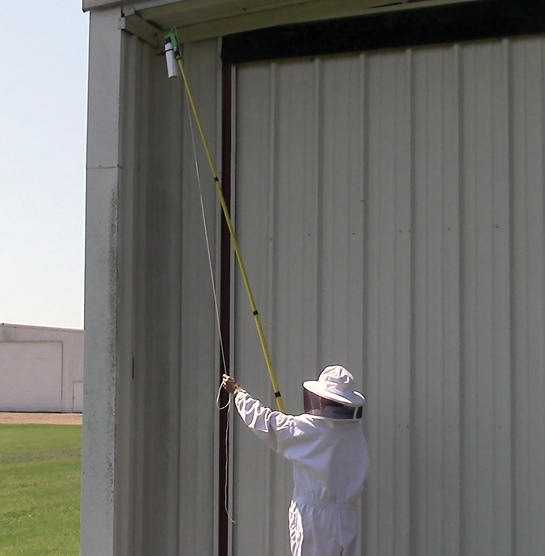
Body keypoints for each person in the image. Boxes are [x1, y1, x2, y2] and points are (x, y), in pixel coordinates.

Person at [222, 364, 370, 556]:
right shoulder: (354, 432)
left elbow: (265, 422)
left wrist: (238, 392)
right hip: (347, 517)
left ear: (322, 399)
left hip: (315, 519)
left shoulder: (307, 427)